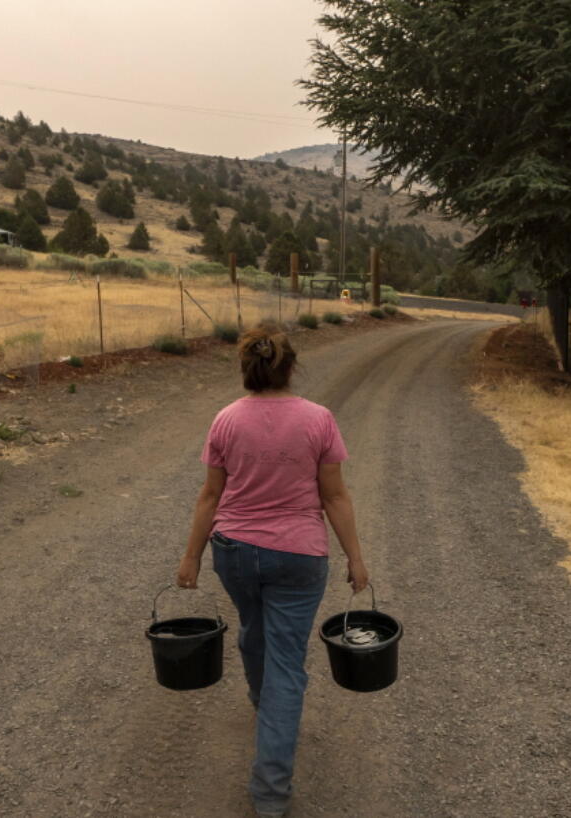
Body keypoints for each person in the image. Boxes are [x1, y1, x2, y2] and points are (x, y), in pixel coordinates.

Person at [176, 323, 369, 818]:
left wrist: (192, 556)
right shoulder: (319, 420)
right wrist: (355, 557)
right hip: (300, 557)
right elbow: (334, 497)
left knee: (253, 629)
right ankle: (271, 792)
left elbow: (210, 497)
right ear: (290, 368)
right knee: (286, 661)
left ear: (247, 369)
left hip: (234, 552)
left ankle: (266, 705)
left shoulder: (225, 420)